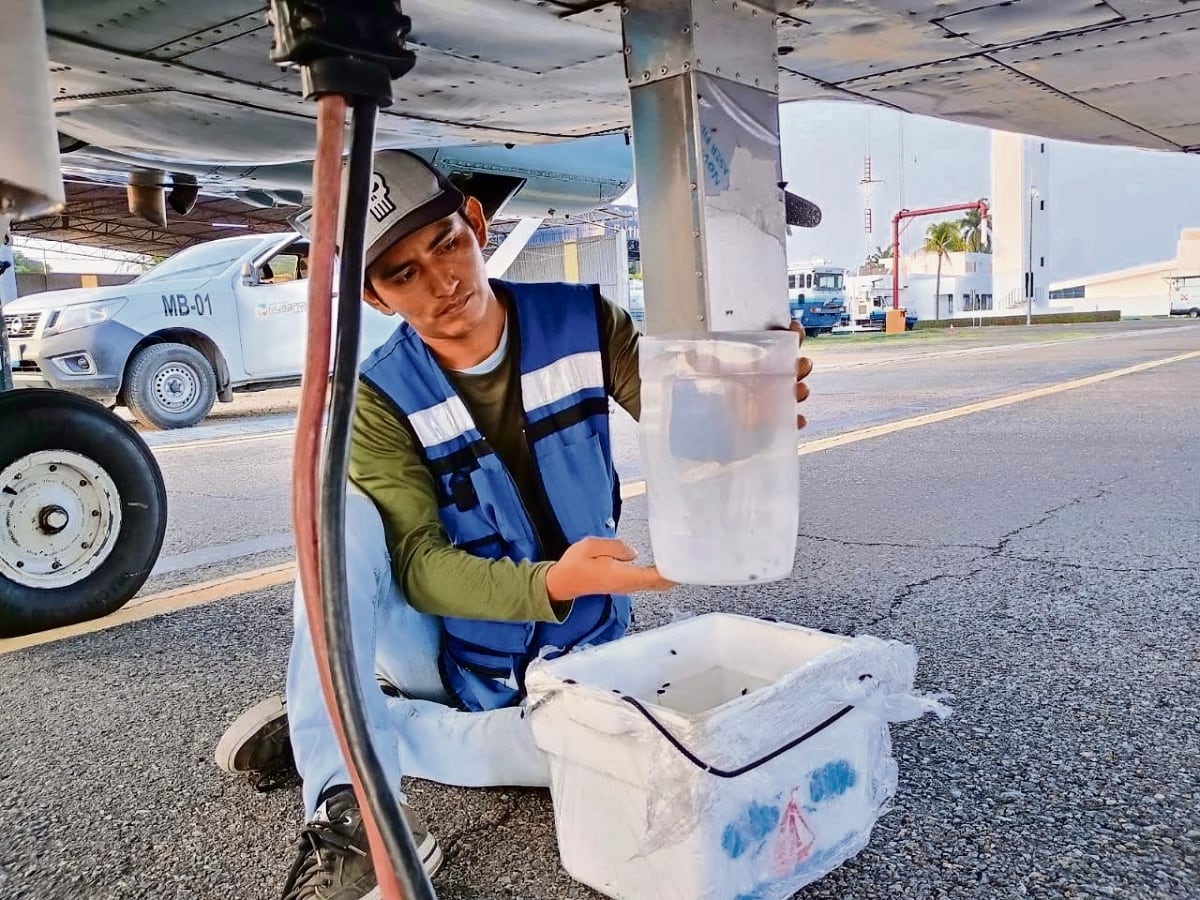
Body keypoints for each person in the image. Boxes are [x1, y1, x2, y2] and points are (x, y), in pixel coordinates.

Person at [215, 150, 812, 900]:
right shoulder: (375, 397)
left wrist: (744, 409)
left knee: (614, 757)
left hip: (576, 652)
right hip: (446, 646)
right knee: (331, 517)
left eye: (447, 245)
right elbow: (419, 566)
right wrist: (554, 582)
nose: (443, 283)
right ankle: (350, 807)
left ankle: (338, 720)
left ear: (475, 223)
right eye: (403, 274)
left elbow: (685, 428)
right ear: (374, 297)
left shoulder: (584, 321)